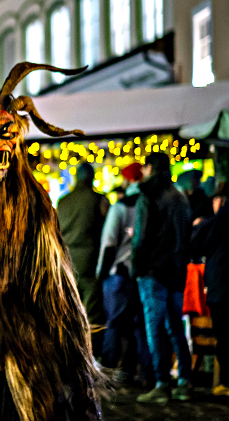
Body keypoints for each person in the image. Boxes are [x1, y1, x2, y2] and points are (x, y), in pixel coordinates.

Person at [132, 152, 193, 403]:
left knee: (154, 328)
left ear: (148, 168)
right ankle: (184, 382)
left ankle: (161, 384)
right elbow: (185, 236)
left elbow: (141, 237)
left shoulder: (148, 196)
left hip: (153, 271)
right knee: (176, 327)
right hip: (177, 271)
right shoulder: (180, 197)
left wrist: (137, 267)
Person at [97, 162, 152, 386]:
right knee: (139, 326)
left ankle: (107, 372)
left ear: (128, 180)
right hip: (142, 274)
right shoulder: (149, 204)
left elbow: (109, 243)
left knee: (115, 324)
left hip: (119, 274)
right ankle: (145, 373)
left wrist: (101, 272)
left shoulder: (119, 208)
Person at [58, 162, 110, 354]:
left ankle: (70, 354)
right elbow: (108, 232)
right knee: (92, 312)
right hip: (90, 261)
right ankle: (91, 355)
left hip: (66, 262)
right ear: (92, 178)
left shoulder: (63, 201)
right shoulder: (98, 200)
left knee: (69, 310)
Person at [188, 183, 229, 395]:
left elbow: (196, 246)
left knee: (223, 335)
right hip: (221, 287)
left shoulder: (216, 222)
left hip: (221, 289)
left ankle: (224, 382)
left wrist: (199, 226)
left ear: (220, 201)